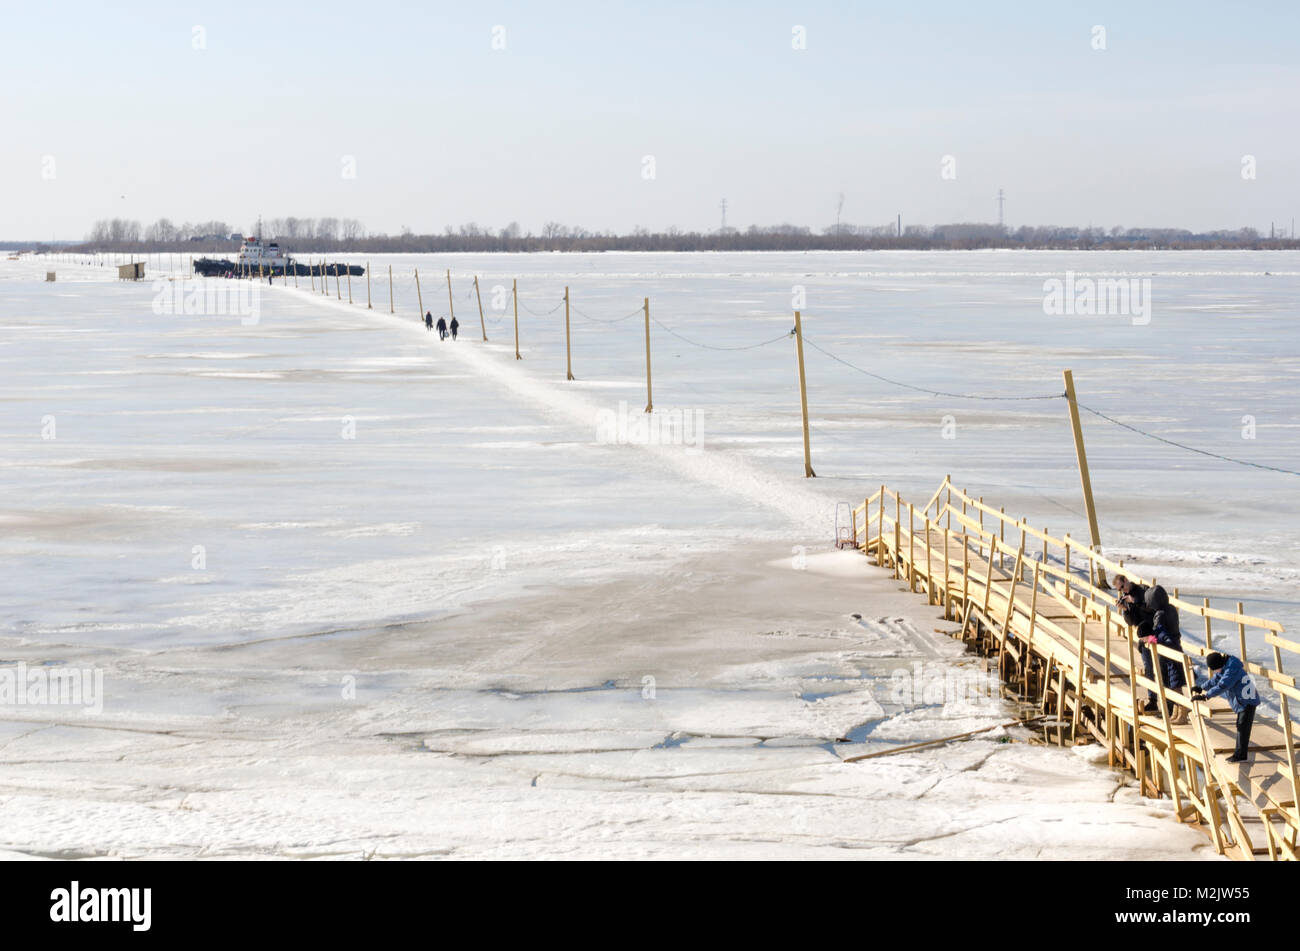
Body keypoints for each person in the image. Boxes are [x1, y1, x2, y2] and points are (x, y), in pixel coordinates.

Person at [1193, 652, 1259, 762]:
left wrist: (1206, 696)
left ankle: (1240, 755)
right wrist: (1201, 687)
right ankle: (1240, 754)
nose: (1215, 671)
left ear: (1219, 665)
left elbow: (1222, 685)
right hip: (1242, 700)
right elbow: (1216, 679)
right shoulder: (1226, 666)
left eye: (1215, 669)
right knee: (1241, 726)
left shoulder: (1232, 670)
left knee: (1242, 727)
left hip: (1248, 700)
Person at [1140, 585, 1187, 722]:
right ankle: (1176, 713)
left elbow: (1161, 633)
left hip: (1169, 650)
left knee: (1174, 684)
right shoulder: (1171, 609)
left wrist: (1151, 639)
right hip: (1176, 646)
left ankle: (1182, 713)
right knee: (1174, 683)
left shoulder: (1160, 615)